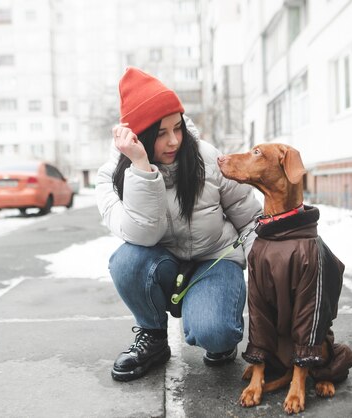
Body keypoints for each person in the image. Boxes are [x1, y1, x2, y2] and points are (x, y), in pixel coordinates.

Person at [95, 67, 262, 382]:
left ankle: (212, 318)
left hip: (216, 259)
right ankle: (154, 337)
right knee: (126, 260)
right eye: (160, 133)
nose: (174, 141)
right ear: (139, 137)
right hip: (162, 264)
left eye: (178, 128)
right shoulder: (111, 178)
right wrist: (142, 168)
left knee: (216, 334)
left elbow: (251, 220)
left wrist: (260, 272)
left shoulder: (207, 159)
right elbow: (144, 235)